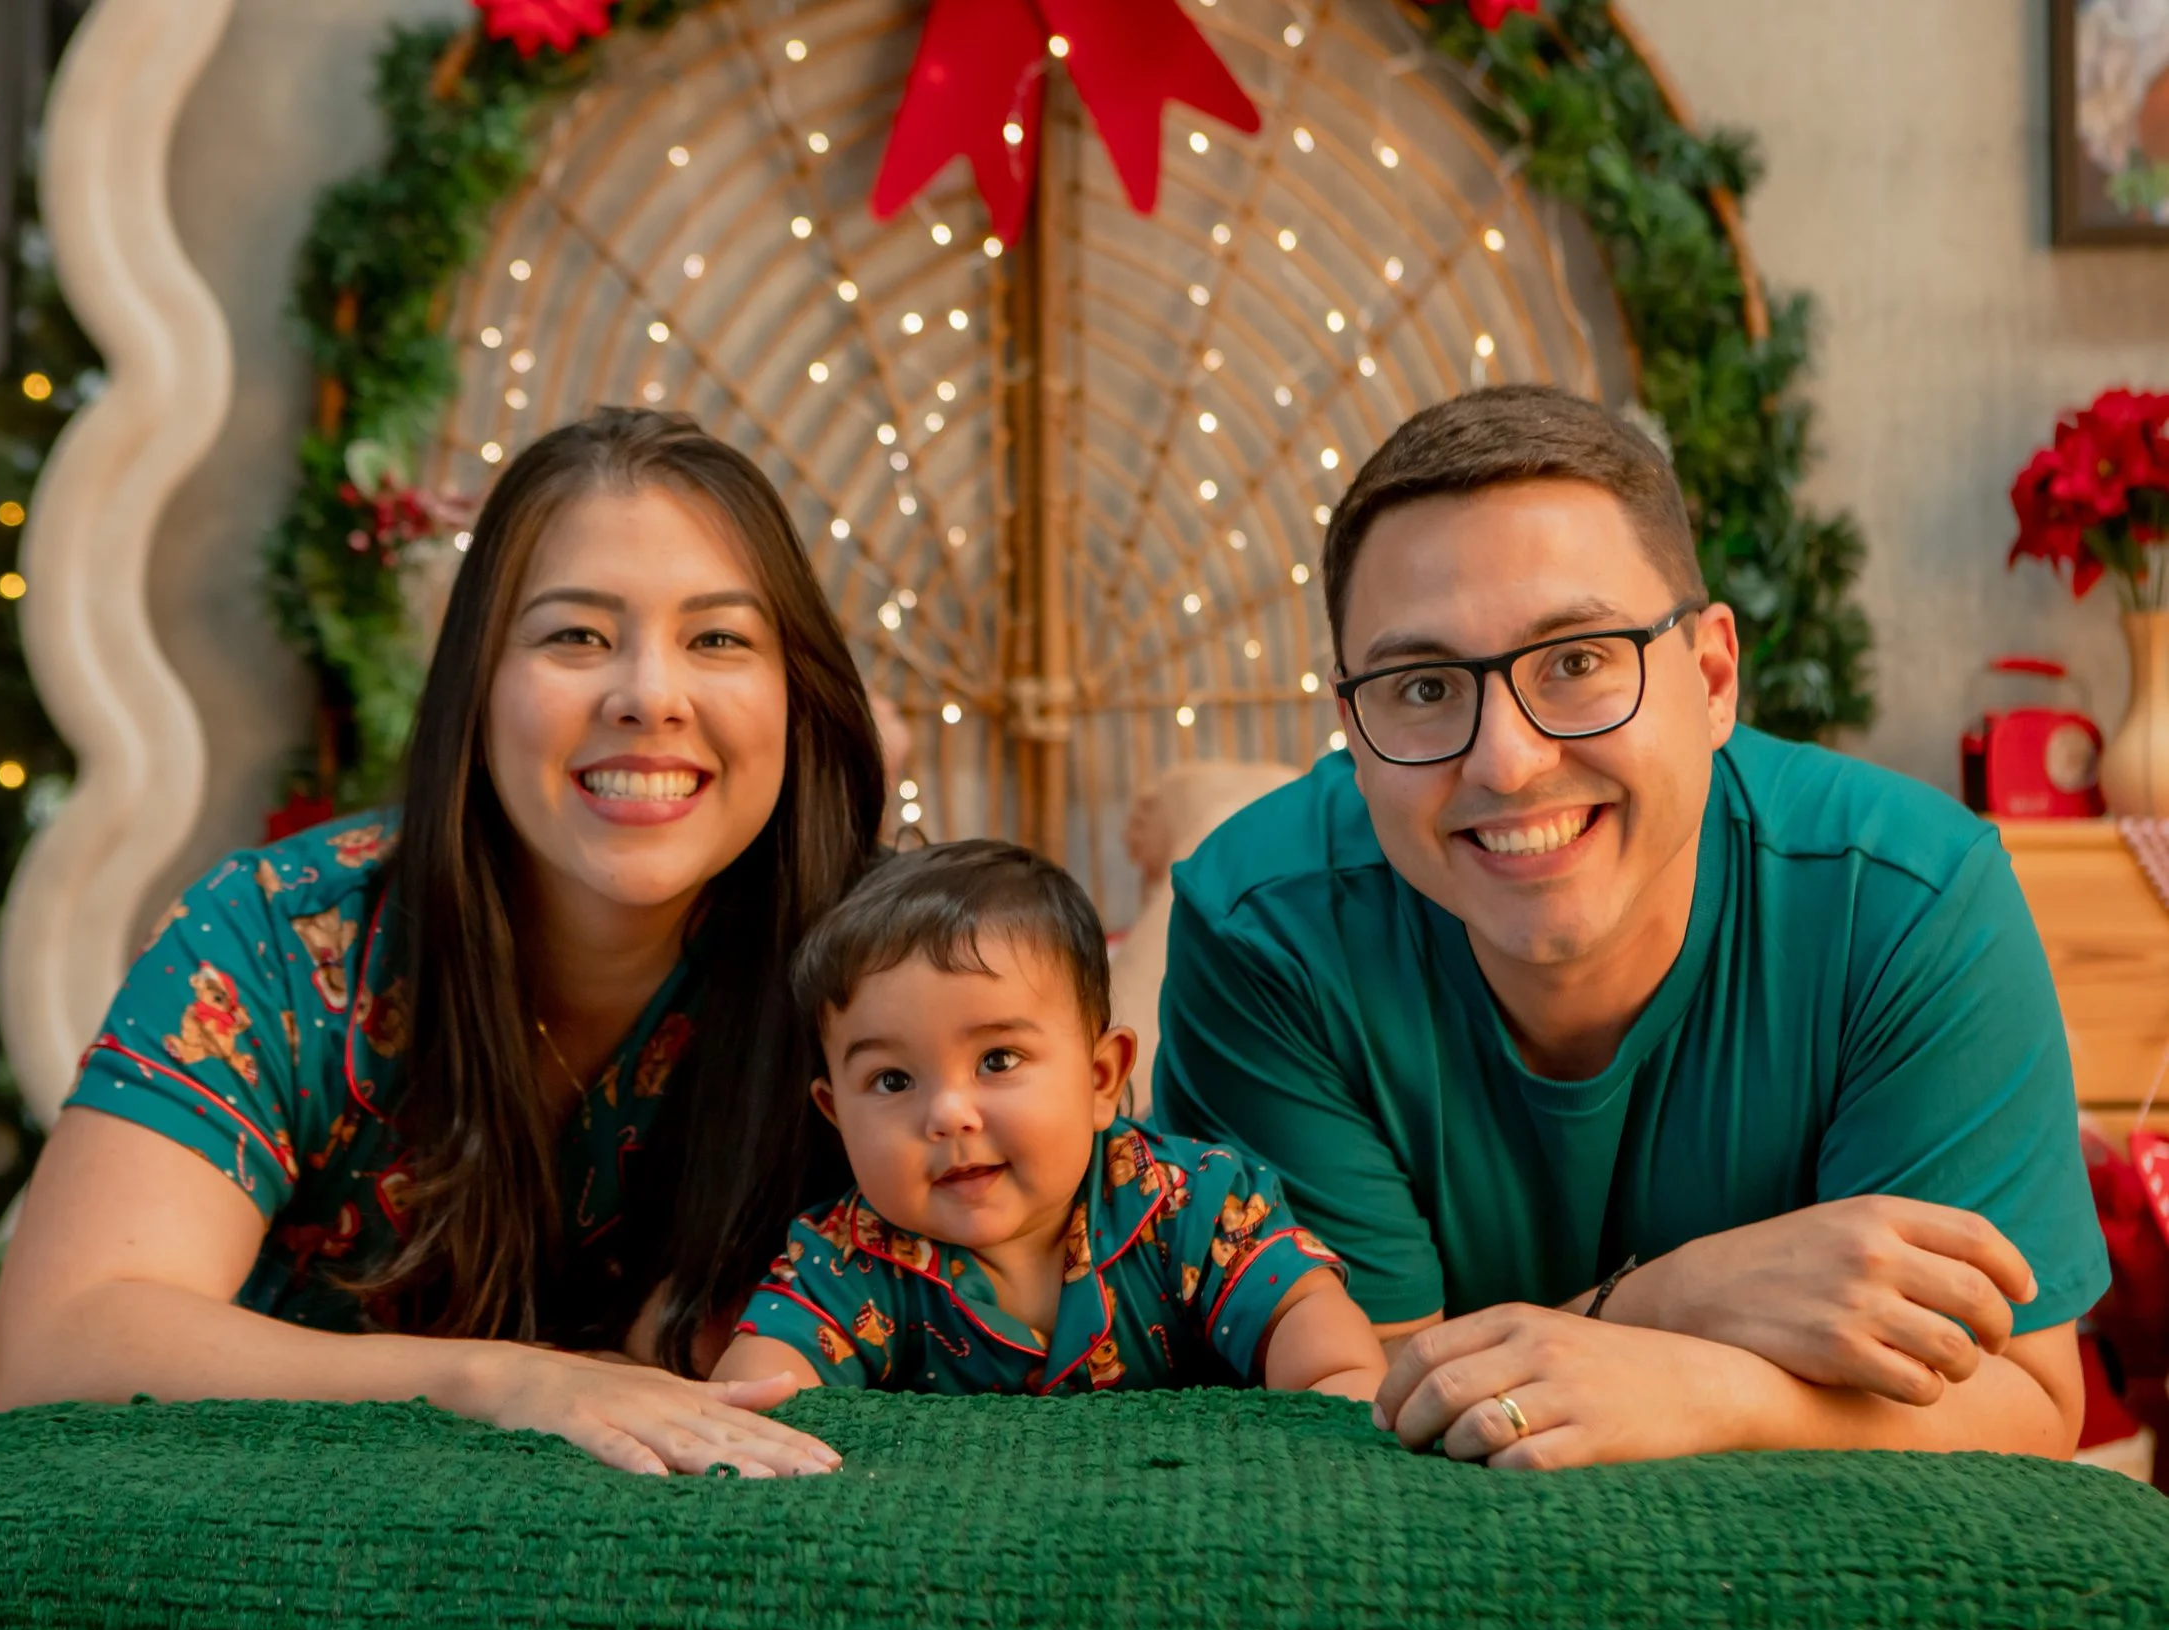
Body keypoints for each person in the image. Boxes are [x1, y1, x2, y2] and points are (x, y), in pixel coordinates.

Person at [1155, 384, 2107, 1470]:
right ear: (1353, 734)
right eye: (1422, 686)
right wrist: (1673, 1294)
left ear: (1710, 678)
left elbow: (2024, 1398)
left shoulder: (1906, 901)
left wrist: (1700, 1388)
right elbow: (1361, 1415)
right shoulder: (1260, 931)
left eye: (1575, 661)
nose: (1503, 760)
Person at [0, 409, 884, 1479]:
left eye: (719, 638)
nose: (649, 695)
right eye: (575, 635)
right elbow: (62, 1338)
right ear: (475, 685)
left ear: (796, 694)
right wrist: (499, 1379)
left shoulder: (879, 962)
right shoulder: (280, 935)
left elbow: (1092, 1207)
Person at [714, 841, 1386, 1398]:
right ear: (835, 1114)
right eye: (892, 1080)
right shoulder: (843, 1259)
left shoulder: (1194, 1204)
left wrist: (1329, 1393)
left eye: (998, 1059)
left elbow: (1308, 1322)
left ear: (1101, 1078)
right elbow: (756, 1396)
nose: (948, 1113)